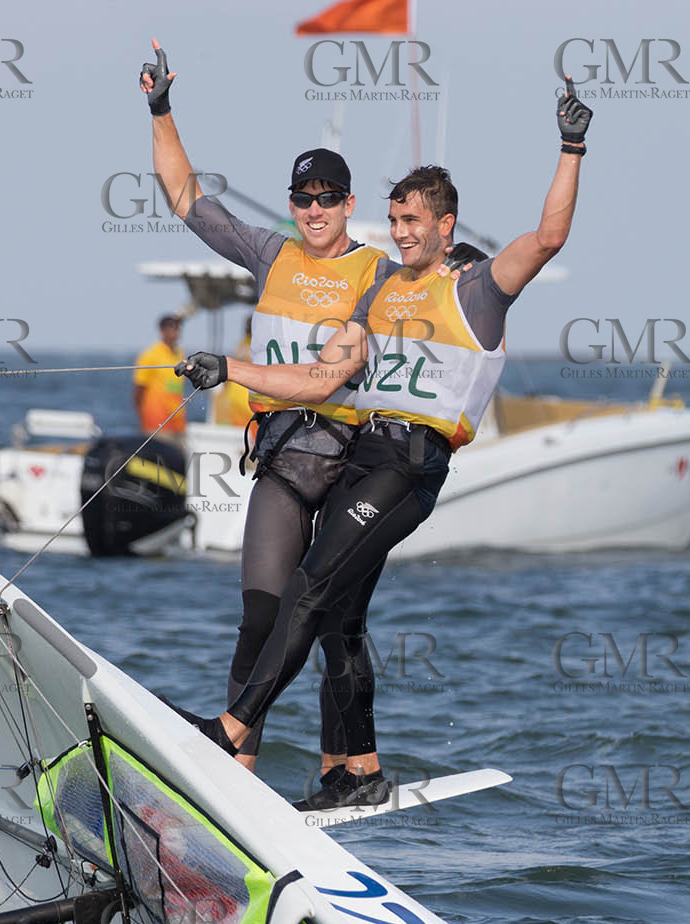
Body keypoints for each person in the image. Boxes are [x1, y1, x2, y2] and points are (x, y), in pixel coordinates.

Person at [176, 78, 593, 807]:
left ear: (446, 225)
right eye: (395, 217)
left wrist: (571, 147)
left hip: (412, 463)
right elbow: (319, 377)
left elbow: (549, 236)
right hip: (365, 454)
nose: (400, 231)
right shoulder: (378, 292)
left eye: (413, 221)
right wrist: (232, 369)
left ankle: (234, 728)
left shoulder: (478, 289)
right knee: (335, 611)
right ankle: (357, 769)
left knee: (309, 585)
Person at [141, 40, 394, 776]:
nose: (315, 210)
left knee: (339, 628)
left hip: (354, 465)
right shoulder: (269, 254)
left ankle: (346, 774)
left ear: (350, 205)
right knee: (261, 615)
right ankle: (236, 776)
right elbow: (185, 195)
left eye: (328, 199)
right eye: (303, 199)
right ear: (292, 206)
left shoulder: (378, 272)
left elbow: (448, 280)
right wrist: (161, 109)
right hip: (284, 459)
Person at [133, 313, 187, 436]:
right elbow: (139, 390)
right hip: (156, 422)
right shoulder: (150, 355)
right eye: (172, 328)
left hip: (178, 422)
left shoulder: (180, 354)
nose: (176, 332)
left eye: (177, 328)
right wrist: (143, 419)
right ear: (162, 330)